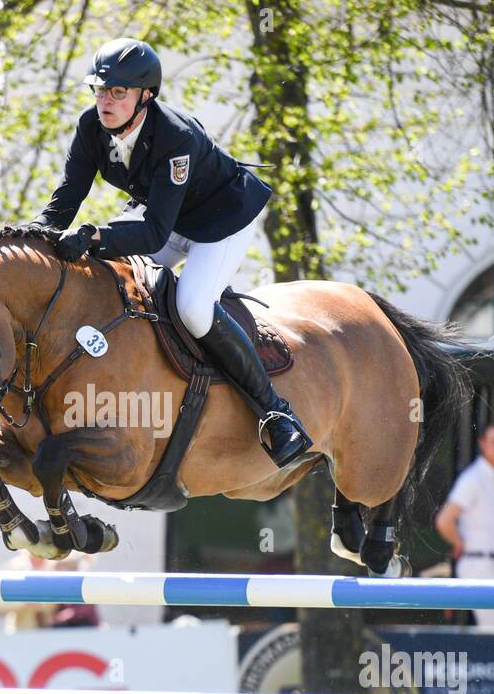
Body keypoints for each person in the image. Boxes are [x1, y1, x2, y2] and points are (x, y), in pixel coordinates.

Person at [30, 37, 311, 468]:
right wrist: (33, 238)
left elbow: (154, 233)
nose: (105, 101)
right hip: (163, 214)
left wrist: (95, 238)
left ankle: (277, 413)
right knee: (104, 281)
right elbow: (67, 196)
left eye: (117, 93)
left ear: (146, 96)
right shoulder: (91, 128)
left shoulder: (175, 137)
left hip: (219, 221)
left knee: (193, 307)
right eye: (100, 90)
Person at [434, 425, 494, 626]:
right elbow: (444, 520)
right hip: (479, 564)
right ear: (482, 444)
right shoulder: (473, 477)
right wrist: (459, 543)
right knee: (491, 632)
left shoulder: (493, 475)